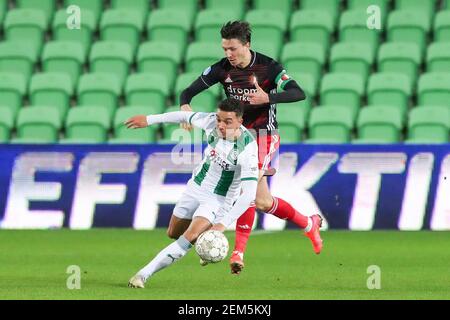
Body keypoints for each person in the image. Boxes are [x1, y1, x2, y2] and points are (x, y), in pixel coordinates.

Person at [179, 21, 323, 274]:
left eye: (233, 49)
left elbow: (298, 93)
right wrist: (184, 107)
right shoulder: (222, 69)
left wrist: (269, 97)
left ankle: (237, 253)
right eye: (225, 49)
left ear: (246, 45)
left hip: (264, 136)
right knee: (263, 201)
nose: (228, 55)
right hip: (237, 137)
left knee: (245, 188)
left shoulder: (269, 67)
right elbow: (187, 91)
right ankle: (308, 223)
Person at [125, 98, 259, 288]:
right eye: (219, 119)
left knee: (188, 236)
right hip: (195, 187)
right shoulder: (211, 121)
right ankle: (205, 244)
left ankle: (141, 275)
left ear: (240, 121)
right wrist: (149, 120)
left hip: (218, 199)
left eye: (227, 122)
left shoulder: (248, 150)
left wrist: (222, 224)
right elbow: (183, 115)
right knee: (173, 233)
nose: (220, 125)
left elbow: (248, 196)